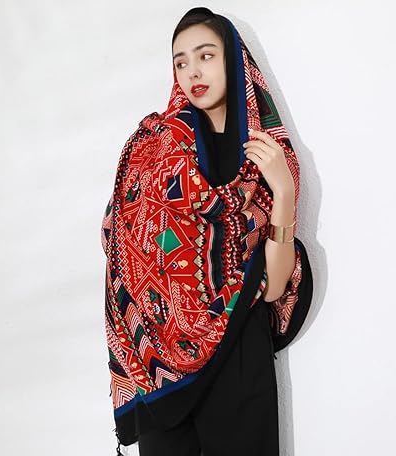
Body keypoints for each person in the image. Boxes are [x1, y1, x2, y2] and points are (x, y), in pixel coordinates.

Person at [100, 7, 313, 456]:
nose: (192, 71)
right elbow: (122, 245)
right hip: (161, 370)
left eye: (206, 55)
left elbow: (275, 288)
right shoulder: (151, 152)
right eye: (181, 62)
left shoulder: (266, 157)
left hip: (239, 358)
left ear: (233, 61)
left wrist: (284, 192)